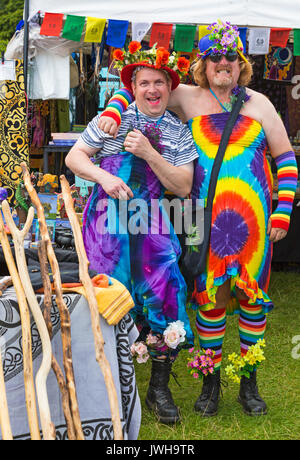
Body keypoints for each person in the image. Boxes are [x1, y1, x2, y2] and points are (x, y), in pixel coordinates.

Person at [98, 21, 298, 417]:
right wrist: (113, 110)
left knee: (251, 302)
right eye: (214, 58)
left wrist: (284, 210)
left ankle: (249, 384)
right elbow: (142, 87)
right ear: (203, 65)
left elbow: (287, 158)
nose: (222, 64)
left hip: (253, 225)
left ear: (241, 63)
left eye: (229, 57)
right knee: (210, 300)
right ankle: (210, 382)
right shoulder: (186, 97)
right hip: (201, 220)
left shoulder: (260, 104)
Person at [65, 43, 199, 424]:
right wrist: (104, 176)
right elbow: (75, 157)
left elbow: (186, 187)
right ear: (134, 87)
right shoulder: (111, 120)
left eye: (159, 82)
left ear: (169, 88)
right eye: (145, 83)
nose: (152, 89)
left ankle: (158, 388)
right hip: (106, 226)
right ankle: (100, 385)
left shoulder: (178, 132)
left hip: (150, 225)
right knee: (103, 296)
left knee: (166, 295)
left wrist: (150, 154)